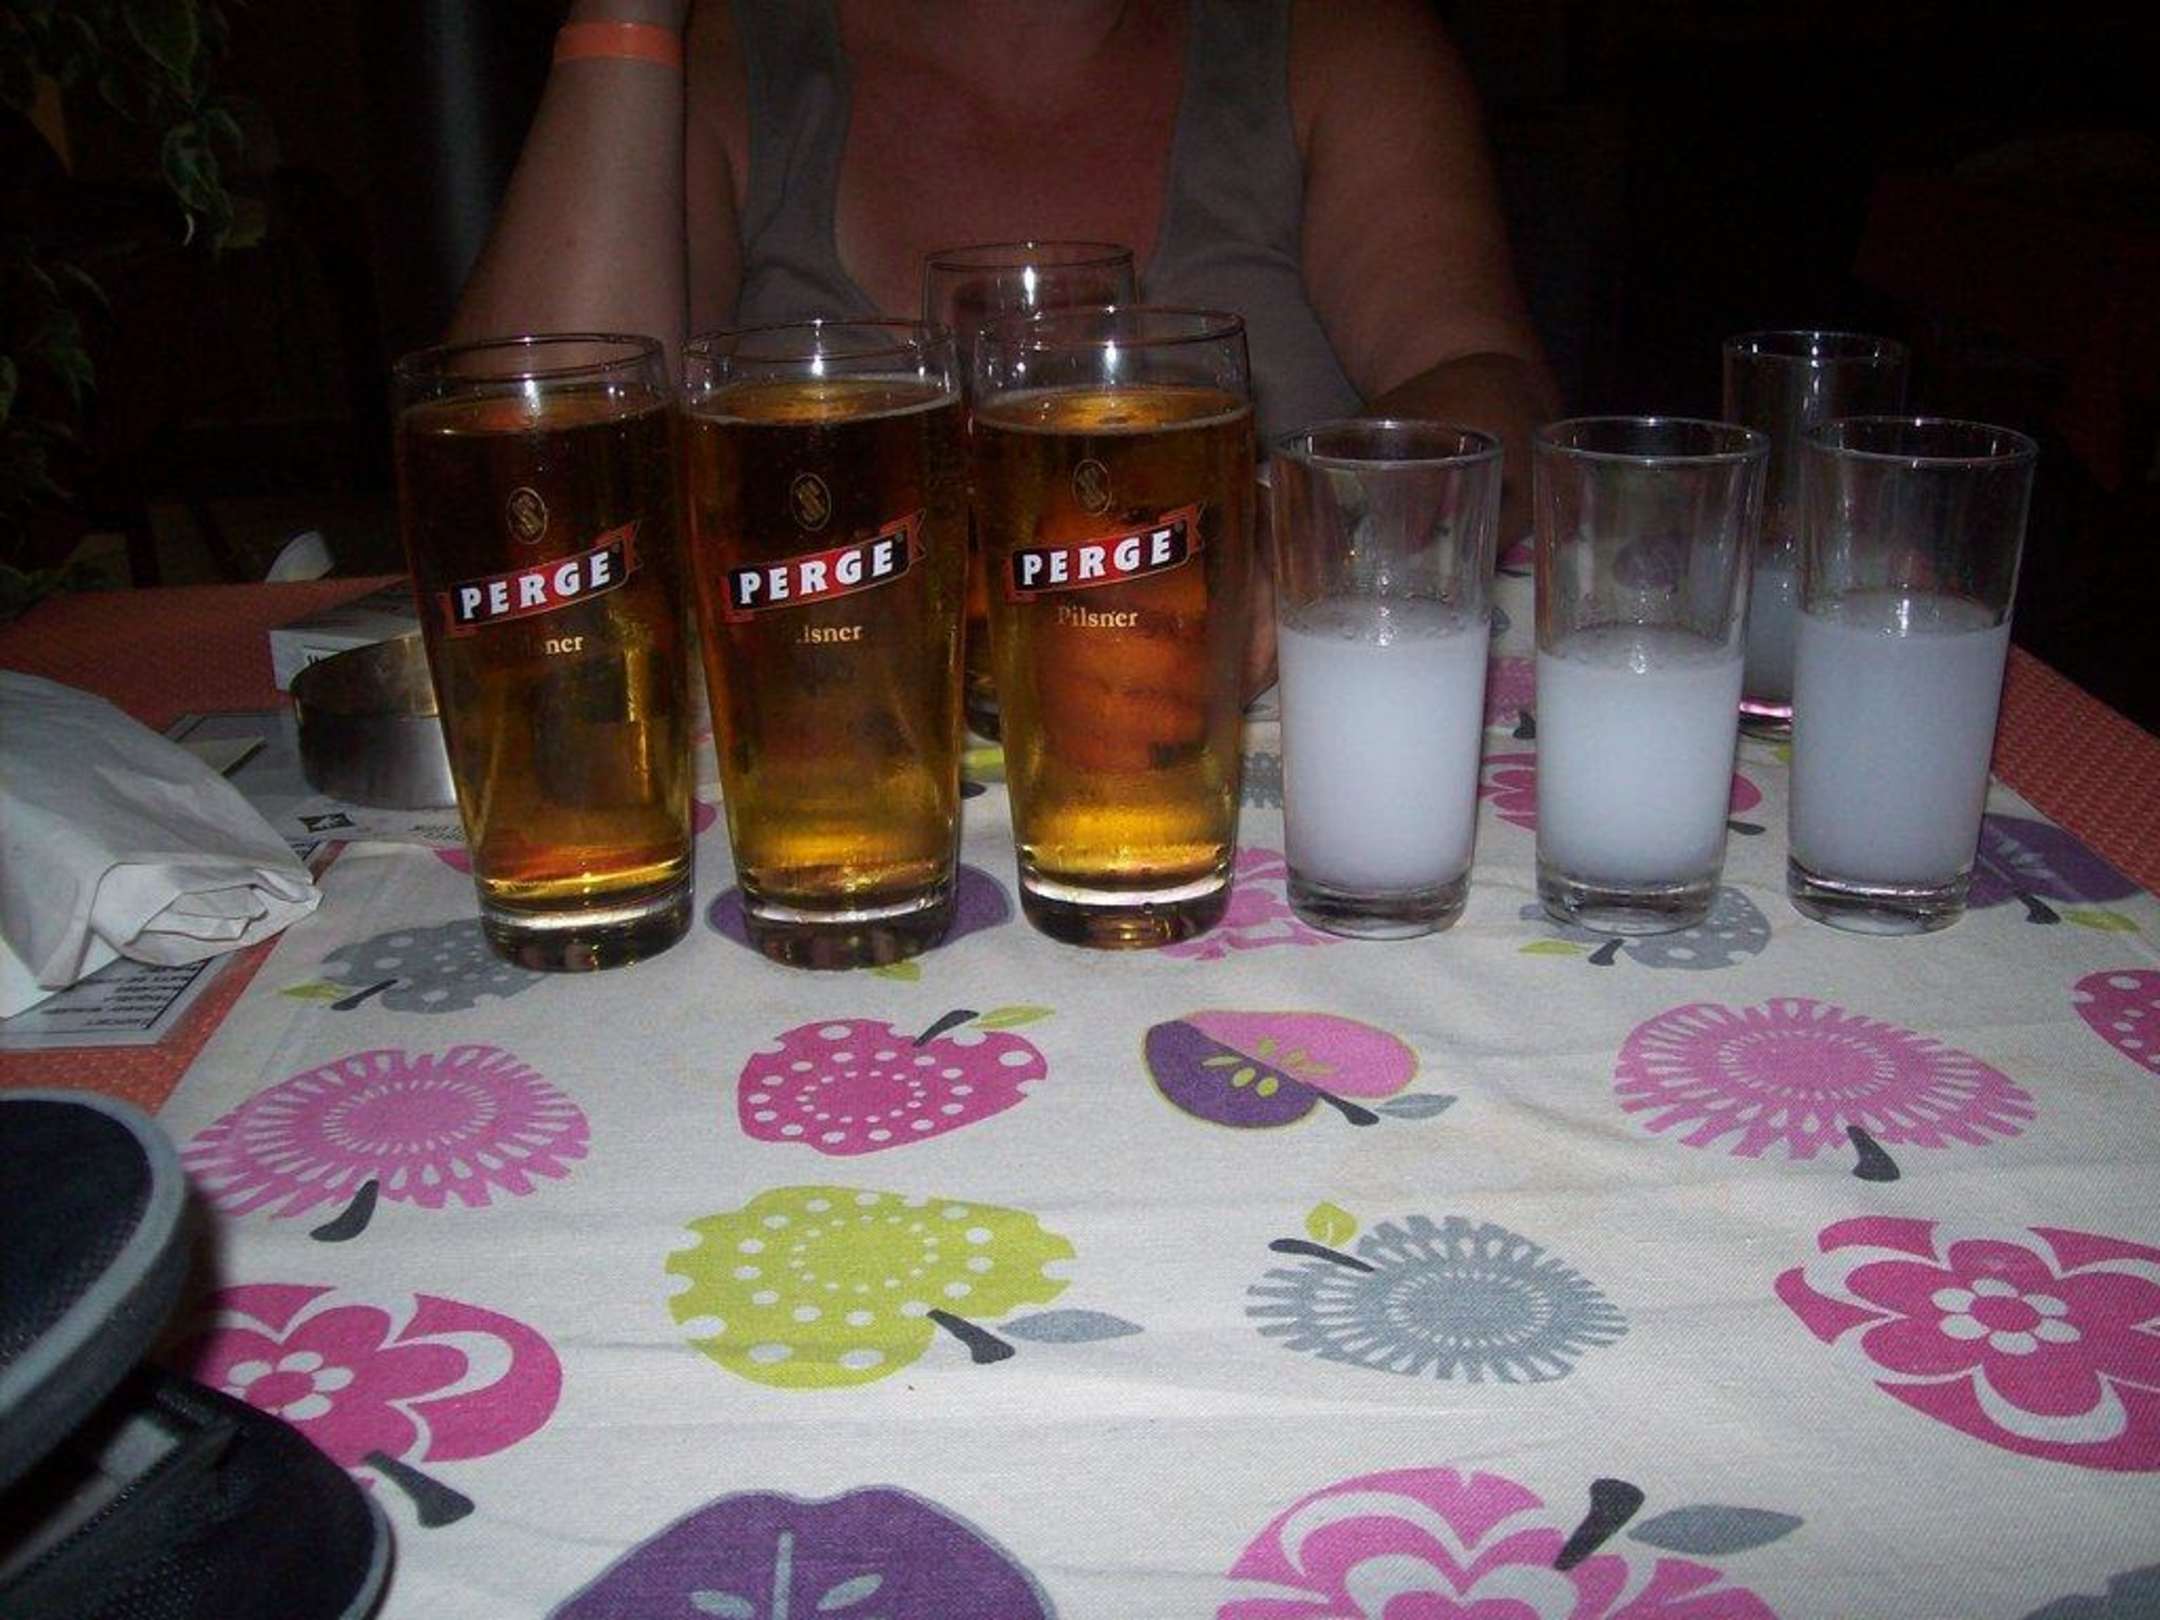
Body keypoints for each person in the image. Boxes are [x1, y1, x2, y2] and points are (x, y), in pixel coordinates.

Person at [452, 0, 1558, 681]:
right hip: (820, 797)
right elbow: (523, 494)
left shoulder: (1334, 37)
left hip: (1238, 806)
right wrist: (629, 18)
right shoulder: (726, 50)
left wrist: (1318, 536)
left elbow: (1488, 386)